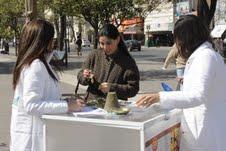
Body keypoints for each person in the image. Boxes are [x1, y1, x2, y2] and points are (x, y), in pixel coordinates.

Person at [136, 15, 226, 150]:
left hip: (205, 134)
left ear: (187, 38)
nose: (177, 44)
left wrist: (159, 97)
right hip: (205, 129)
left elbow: (197, 95)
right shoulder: (206, 55)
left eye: (177, 39)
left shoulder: (205, 57)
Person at [10, 19, 85, 151]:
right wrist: (66, 106)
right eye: (51, 38)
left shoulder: (35, 63)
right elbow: (31, 105)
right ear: (43, 41)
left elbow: (42, 96)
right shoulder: (35, 66)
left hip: (33, 135)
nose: (54, 42)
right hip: (33, 140)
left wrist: (65, 101)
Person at [77, 24, 140, 100]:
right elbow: (80, 76)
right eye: (102, 43)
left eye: (109, 43)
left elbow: (133, 88)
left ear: (117, 40)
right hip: (91, 104)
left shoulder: (127, 61)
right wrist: (85, 76)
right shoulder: (94, 55)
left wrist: (112, 88)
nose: (105, 47)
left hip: (114, 107)